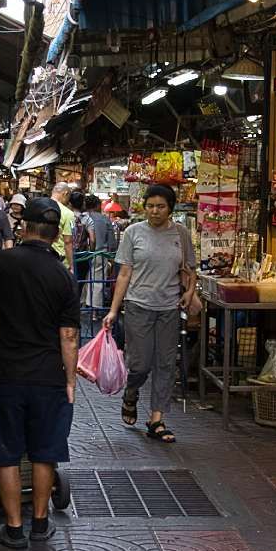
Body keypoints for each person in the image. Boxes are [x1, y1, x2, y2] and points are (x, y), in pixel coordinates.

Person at [0, 196, 79, 549]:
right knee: (45, 452)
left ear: (24, 227)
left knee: (6, 452)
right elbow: (69, 336)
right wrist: (70, 379)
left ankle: (14, 528)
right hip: (47, 376)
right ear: (55, 234)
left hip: (3, 373)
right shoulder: (63, 275)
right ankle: (40, 524)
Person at [104, 183, 198, 443]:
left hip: (169, 308)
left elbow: (190, 269)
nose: (155, 211)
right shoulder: (133, 232)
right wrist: (113, 311)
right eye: (150, 206)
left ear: (170, 209)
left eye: (161, 207)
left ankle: (157, 420)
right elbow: (124, 273)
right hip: (138, 306)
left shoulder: (181, 234)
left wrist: (190, 292)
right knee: (140, 364)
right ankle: (131, 391)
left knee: (165, 364)